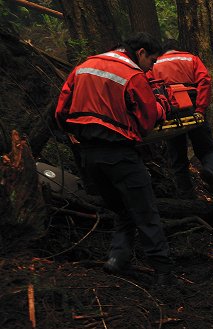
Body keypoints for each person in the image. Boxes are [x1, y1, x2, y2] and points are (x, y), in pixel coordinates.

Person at [55, 32, 174, 281]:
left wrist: (71, 132)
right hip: (119, 155)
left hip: (88, 158)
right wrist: (162, 107)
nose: (151, 67)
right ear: (141, 52)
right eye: (151, 61)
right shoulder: (132, 74)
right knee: (146, 212)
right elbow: (147, 120)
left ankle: (116, 259)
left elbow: (61, 109)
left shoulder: (84, 66)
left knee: (122, 210)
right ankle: (164, 272)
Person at [149, 39, 213, 200]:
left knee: (177, 156)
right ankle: (210, 170)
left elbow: (149, 87)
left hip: (170, 111)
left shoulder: (155, 63)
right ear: (178, 49)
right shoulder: (191, 59)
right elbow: (205, 81)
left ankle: (186, 196)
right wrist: (200, 109)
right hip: (191, 107)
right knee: (207, 148)